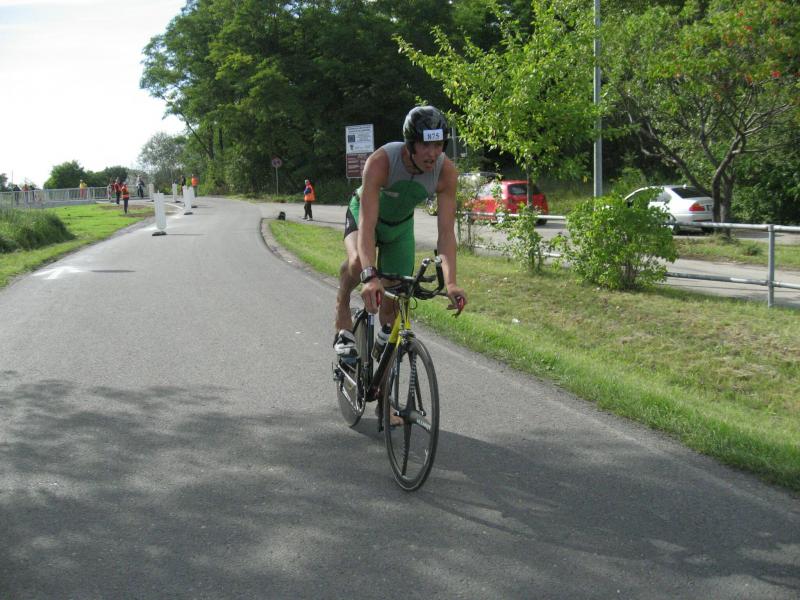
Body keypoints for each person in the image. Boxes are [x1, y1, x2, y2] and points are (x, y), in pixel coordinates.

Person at [333, 105, 467, 361]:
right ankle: (342, 306)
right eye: (425, 145)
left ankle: (383, 374)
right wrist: (370, 276)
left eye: (438, 145)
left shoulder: (446, 172)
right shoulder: (381, 162)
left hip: (400, 227)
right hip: (364, 216)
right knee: (358, 262)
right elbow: (368, 225)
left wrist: (451, 282)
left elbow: (446, 234)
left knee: (395, 298)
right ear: (410, 143)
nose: (432, 153)